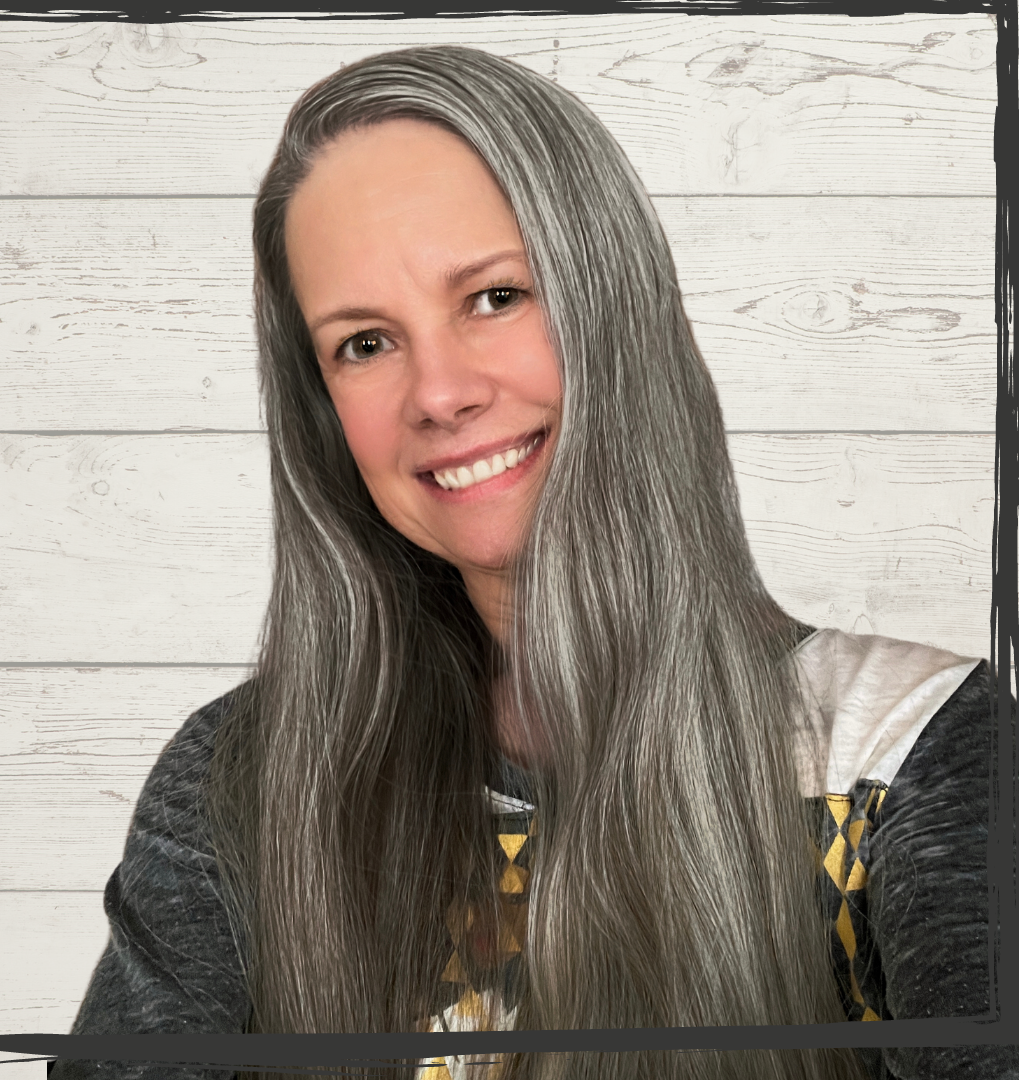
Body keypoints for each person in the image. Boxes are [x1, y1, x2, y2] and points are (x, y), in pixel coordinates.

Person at [49, 45, 1015, 1080]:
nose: (439, 393)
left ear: (625, 311)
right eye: (365, 344)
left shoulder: (914, 754)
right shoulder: (242, 784)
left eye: (495, 296)